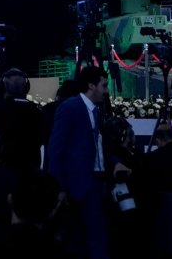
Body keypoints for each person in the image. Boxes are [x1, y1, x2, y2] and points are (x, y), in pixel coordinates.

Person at [45, 65, 115, 259]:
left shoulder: (95, 111)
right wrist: (58, 186)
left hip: (95, 181)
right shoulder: (70, 108)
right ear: (91, 86)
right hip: (81, 184)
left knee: (93, 238)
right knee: (88, 240)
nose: (106, 91)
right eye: (103, 86)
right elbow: (55, 148)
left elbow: (98, 146)